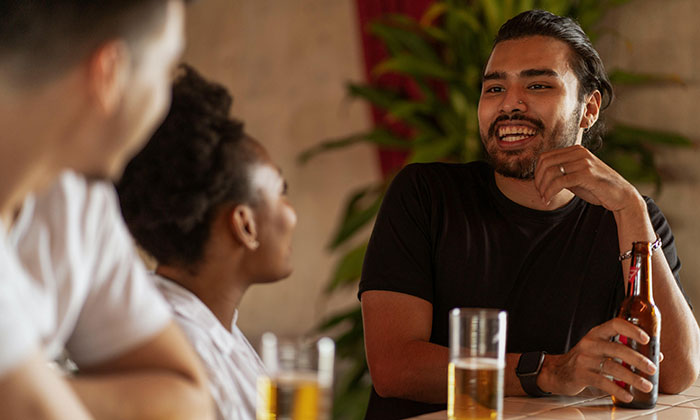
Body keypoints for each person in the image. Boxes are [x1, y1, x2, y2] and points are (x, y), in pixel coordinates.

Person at [359, 9, 700, 420]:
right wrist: (549, 371)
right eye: (494, 88)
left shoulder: (631, 219)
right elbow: (395, 368)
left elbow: (676, 373)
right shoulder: (425, 194)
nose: (510, 104)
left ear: (589, 108)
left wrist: (629, 207)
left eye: (538, 85)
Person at [0, 1, 214, 419]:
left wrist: (28, 384)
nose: (165, 101)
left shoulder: (76, 198)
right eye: (166, 70)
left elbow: (188, 402)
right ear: (108, 73)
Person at [117, 65, 297, 420]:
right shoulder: (185, 352)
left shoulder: (213, 330)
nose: (292, 213)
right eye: (281, 192)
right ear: (244, 225)